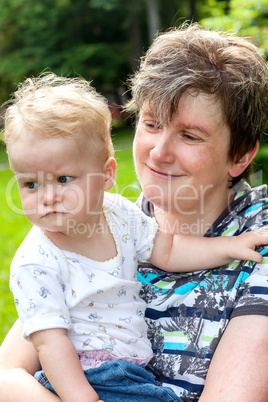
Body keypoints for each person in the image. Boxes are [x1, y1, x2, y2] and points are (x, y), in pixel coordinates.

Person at [0, 22, 267, 401]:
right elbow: (8, 373)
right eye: (151, 124)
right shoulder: (94, 221)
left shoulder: (259, 235)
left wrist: (231, 245)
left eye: (189, 135)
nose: (159, 152)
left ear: (240, 156)